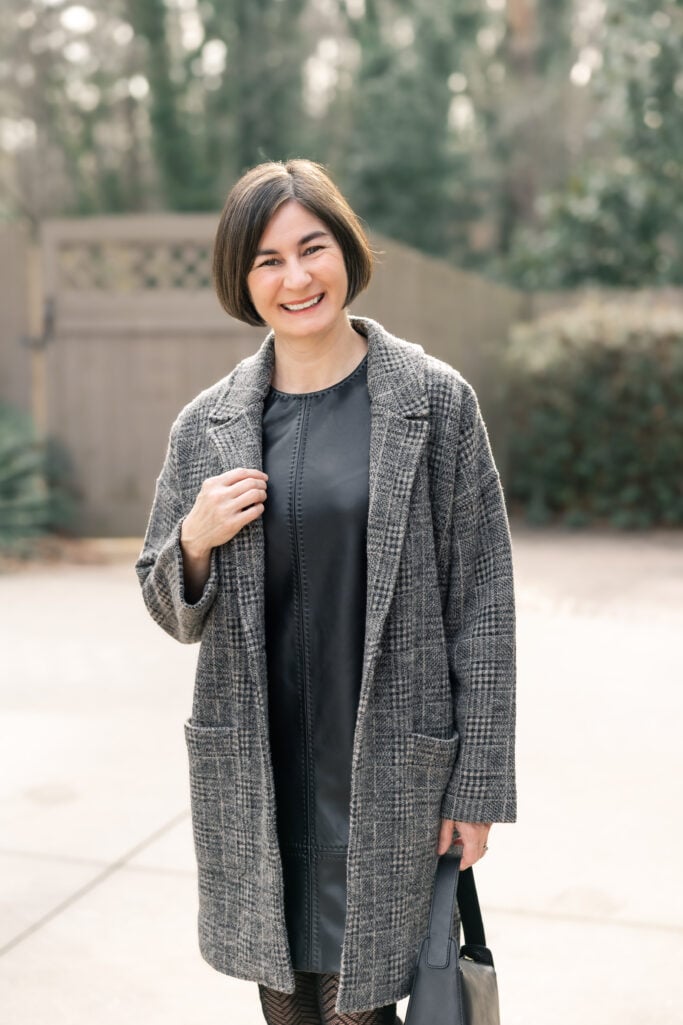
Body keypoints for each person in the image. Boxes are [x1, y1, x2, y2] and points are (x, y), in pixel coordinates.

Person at [135, 159, 516, 1025]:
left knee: (364, 1007)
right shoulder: (208, 424)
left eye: (312, 248)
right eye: (267, 260)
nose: (295, 277)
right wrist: (193, 538)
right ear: (243, 280)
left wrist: (476, 790)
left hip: (387, 777)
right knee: (287, 1004)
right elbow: (166, 604)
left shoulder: (433, 402)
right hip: (260, 779)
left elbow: (484, 606)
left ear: (346, 249)